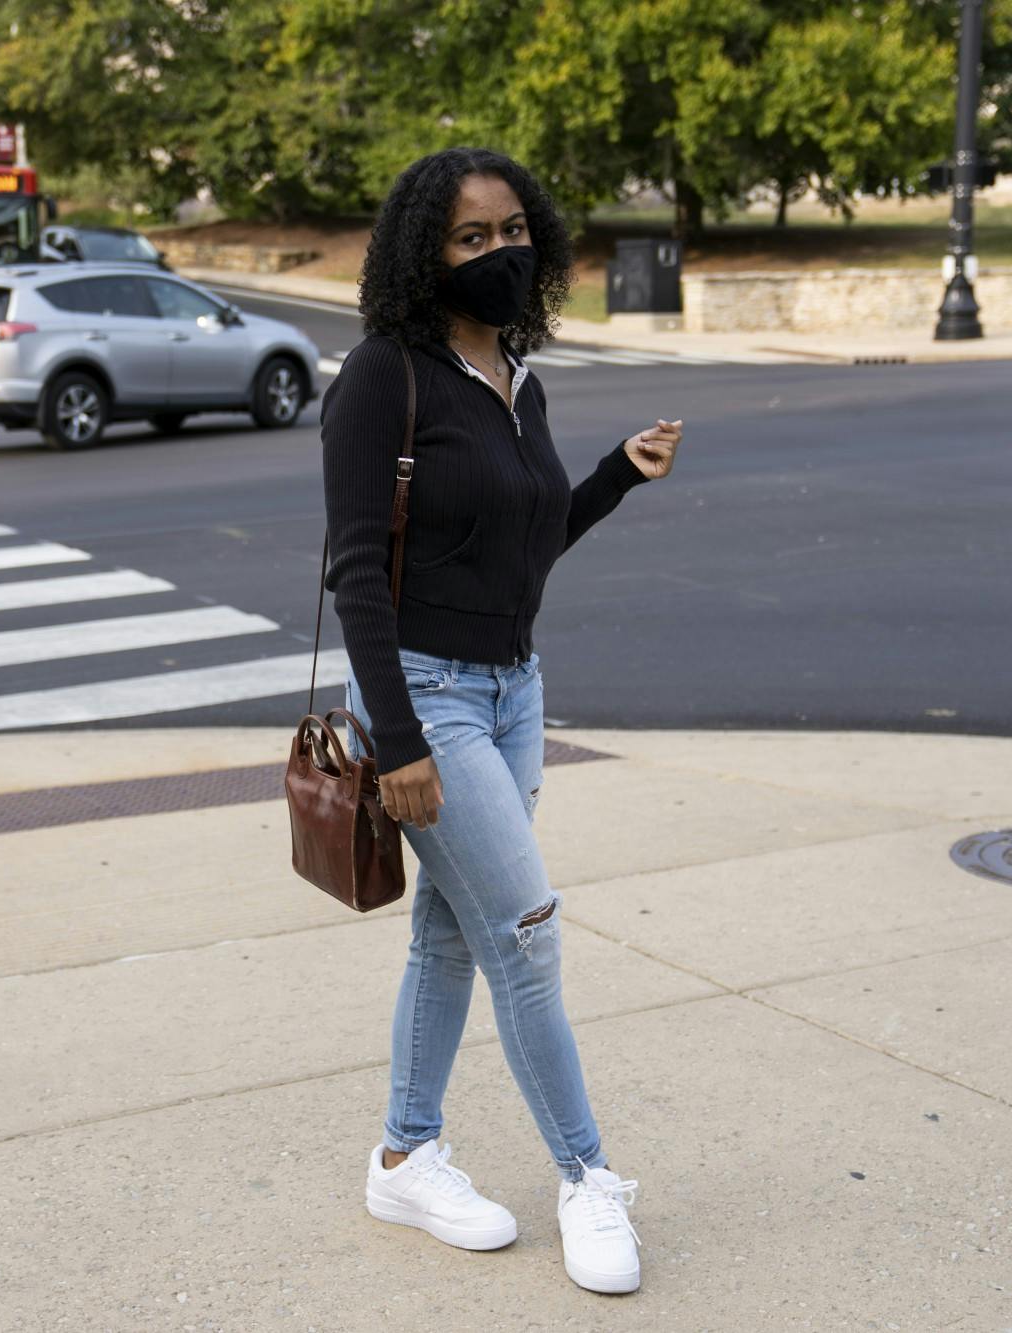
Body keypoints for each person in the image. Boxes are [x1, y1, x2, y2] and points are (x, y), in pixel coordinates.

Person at [320, 146, 683, 1295]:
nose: (499, 253)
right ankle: (587, 1176)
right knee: (524, 932)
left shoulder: (517, 373)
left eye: (512, 231)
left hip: (512, 689)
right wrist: (405, 745)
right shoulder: (387, 374)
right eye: (470, 238)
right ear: (422, 253)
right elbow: (353, 574)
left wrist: (614, 477)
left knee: (447, 929)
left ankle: (402, 1151)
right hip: (424, 697)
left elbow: (523, 547)